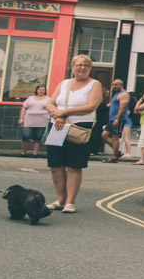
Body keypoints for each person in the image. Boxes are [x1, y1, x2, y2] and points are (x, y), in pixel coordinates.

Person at [44, 57, 103, 213]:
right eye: (79, 65)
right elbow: (50, 103)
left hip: (79, 127)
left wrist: (64, 112)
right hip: (57, 125)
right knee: (55, 165)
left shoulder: (94, 84)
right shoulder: (64, 83)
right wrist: (58, 115)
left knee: (74, 166)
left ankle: (70, 202)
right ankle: (60, 199)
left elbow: (91, 106)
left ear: (90, 68)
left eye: (86, 65)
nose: (82, 68)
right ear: (72, 67)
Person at [18, 84, 51, 158]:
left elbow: (51, 109)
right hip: (29, 120)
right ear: (36, 90)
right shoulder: (30, 98)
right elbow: (24, 108)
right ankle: (23, 152)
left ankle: (35, 153)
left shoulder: (48, 99)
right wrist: (21, 118)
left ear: (45, 91)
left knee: (38, 137)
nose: (41, 91)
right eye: (40, 89)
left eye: (43, 90)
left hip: (42, 121)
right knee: (26, 136)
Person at [103, 80, 130, 162]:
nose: (114, 86)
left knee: (115, 137)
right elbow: (112, 104)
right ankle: (117, 151)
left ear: (121, 85)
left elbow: (122, 108)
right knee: (104, 135)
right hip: (112, 119)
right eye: (113, 84)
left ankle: (114, 157)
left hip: (118, 119)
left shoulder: (124, 94)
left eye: (116, 84)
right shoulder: (116, 94)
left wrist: (117, 119)